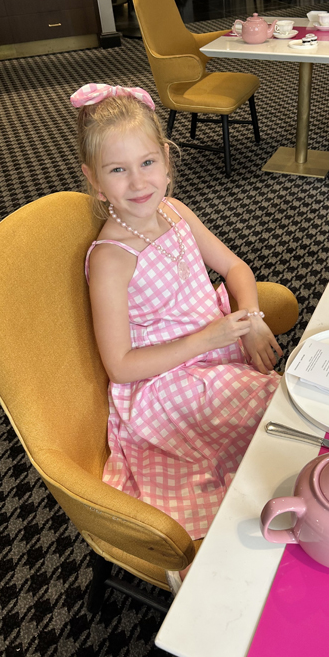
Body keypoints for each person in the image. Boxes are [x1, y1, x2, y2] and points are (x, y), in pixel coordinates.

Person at [73, 83, 283, 552]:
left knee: (280, 418)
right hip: (165, 383)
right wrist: (207, 339)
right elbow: (120, 365)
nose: (138, 183)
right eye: (118, 170)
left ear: (167, 160)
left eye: (147, 163)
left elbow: (235, 267)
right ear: (94, 180)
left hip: (216, 350)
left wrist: (251, 320)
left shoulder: (174, 211)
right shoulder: (111, 258)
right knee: (276, 416)